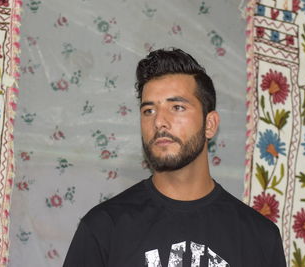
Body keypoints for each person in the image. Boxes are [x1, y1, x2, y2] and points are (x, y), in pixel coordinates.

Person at [63, 48, 286, 267]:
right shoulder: (103, 229)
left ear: (210, 124)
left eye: (177, 107)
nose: (159, 121)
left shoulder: (260, 237)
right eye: (148, 110)